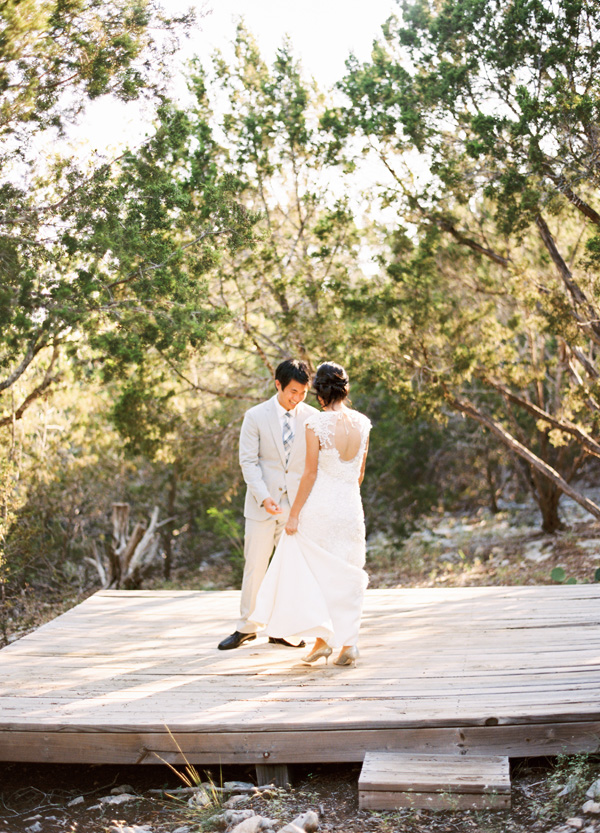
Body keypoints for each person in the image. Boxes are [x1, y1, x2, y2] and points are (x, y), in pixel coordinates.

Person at [250, 361, 371, 667]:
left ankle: (321, 638)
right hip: (350, 508)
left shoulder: (315, 424)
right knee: (347, 574)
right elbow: (359, 475)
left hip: (322, 508)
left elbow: (309, 474)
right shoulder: (363, 424)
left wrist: (294, 515)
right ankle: (346, 644)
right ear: (345, 389)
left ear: (319, 394)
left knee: (315, 573)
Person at [218, 358, 316, 650]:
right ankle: (247, 627)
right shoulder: (255, 416)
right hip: (262, 505)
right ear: (278, 385)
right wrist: (264, 496)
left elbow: (313, 465)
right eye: (292, 392)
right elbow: (248, 462)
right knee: (256, 567)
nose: (297, 398)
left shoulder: (311, 418)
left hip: (295, 508)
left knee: (289, 569)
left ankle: (282, 629)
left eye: (303, 393)